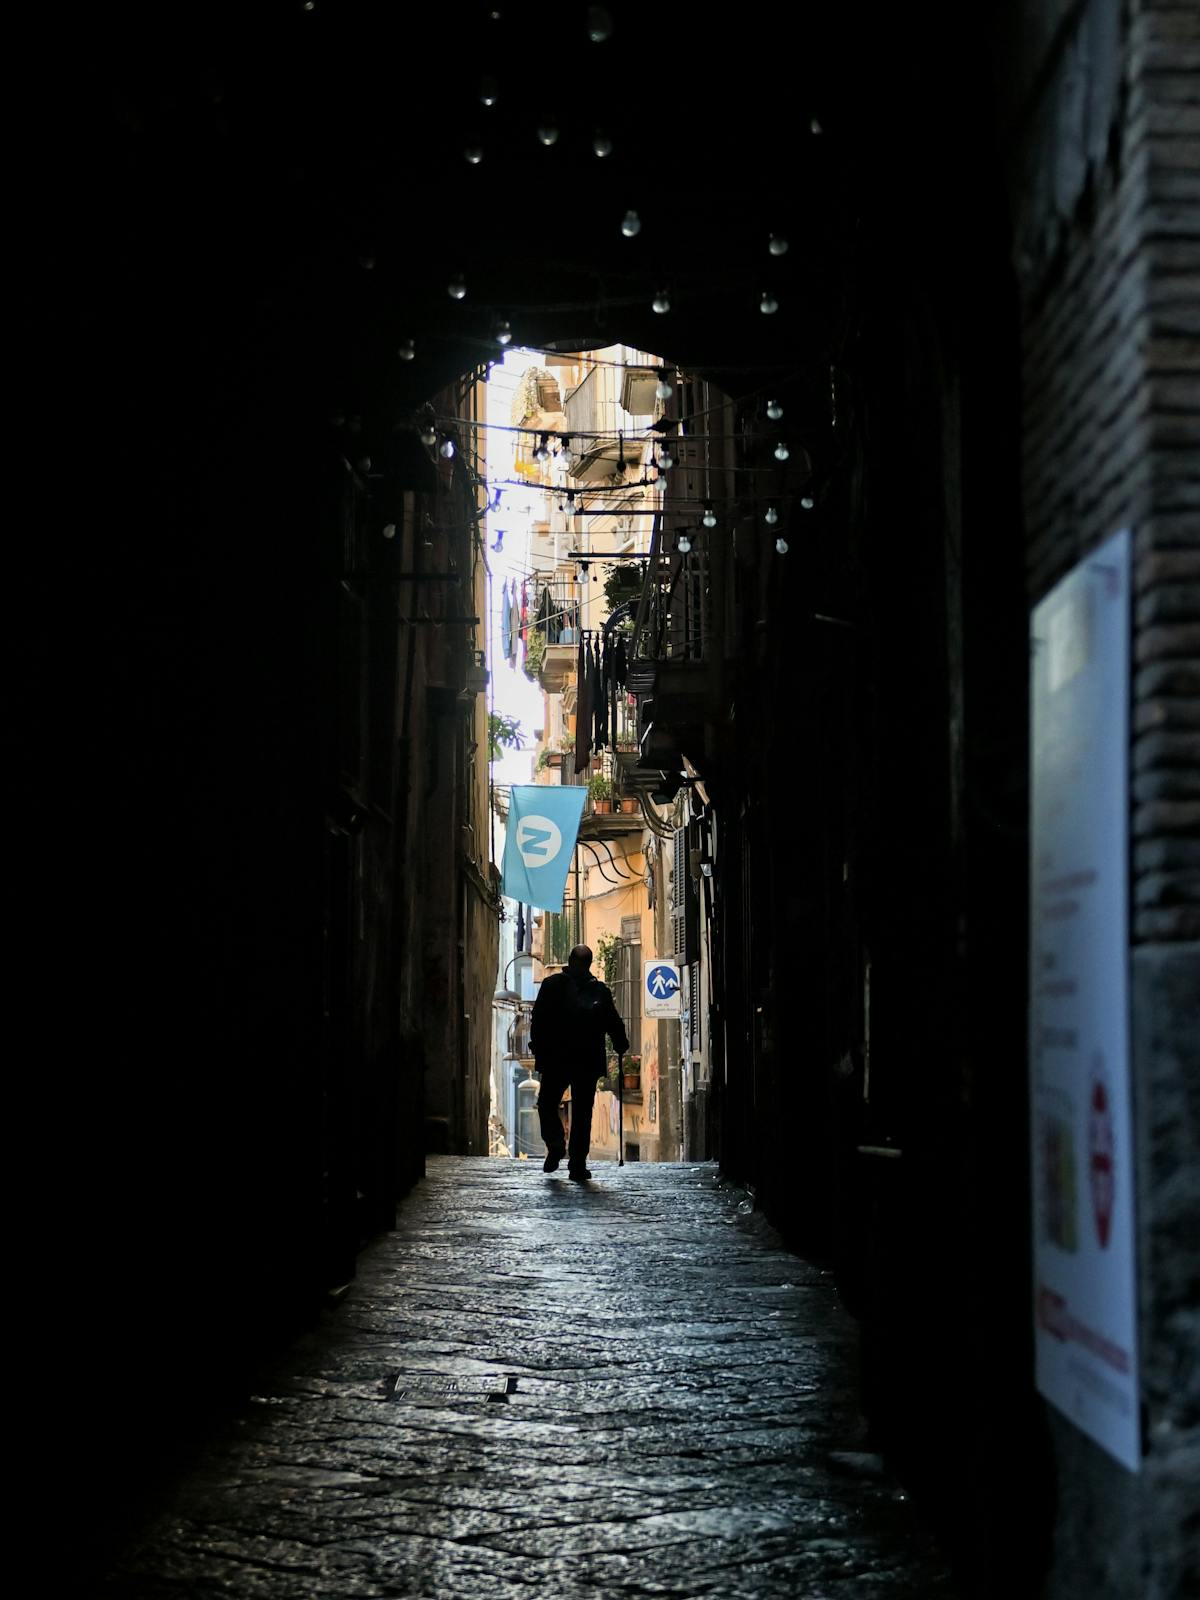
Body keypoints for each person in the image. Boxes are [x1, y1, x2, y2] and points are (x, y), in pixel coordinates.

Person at [530, 943, 629, 1181]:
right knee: (583, 1113)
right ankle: (577, 1164)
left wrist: (539, 1048)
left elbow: (539, 1020)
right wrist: (620, 1043)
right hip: (587, 1061)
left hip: (557, 1059)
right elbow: (613, 1022)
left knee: (546, 1104)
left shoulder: (551, 985)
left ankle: (555, 1144)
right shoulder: (600, 992)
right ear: (589, 964)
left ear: (569, 961)